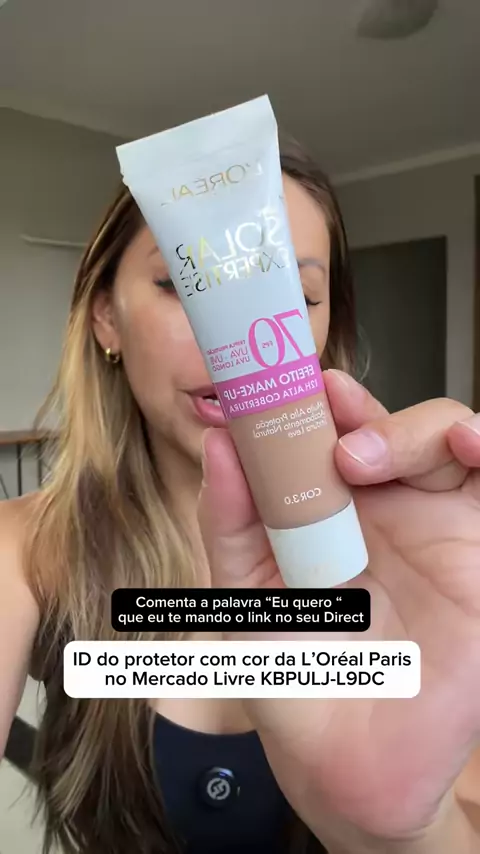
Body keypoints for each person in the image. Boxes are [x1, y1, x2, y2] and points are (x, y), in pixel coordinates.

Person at [0, 139, 479, 854]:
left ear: (325, 328)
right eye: (186, 281)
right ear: (106, 317)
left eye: (298, 294)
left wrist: (404, 832)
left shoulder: (397, 563)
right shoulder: (26, 550)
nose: (240, 330)